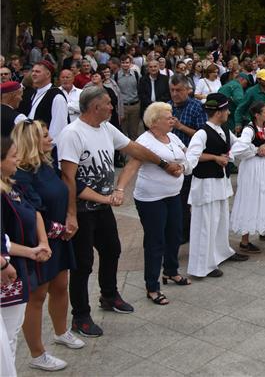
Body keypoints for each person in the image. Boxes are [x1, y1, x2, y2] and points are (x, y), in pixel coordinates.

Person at [59, 86, 183, 337]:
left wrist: (163, 163)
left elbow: (134, 149)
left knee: (112, 250)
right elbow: (68, 179)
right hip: (82, 210)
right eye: (108, 104)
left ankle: (109, 295)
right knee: (82, 265)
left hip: (103, 208)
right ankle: (80, 316)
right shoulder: (72, 134)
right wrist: (70, 215)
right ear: (95, 107)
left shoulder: (106, 128)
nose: (112, 108)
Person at [12, 121, 83, 371]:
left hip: (60, 237)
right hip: (38, 242)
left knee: (61, 286)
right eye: (45, 136)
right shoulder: (21, 173)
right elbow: (32, 211)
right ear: (31, 141)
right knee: (37, 296)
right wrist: (60, 230)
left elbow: (61, 195)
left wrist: (68, 220)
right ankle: (37, 353)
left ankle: (61, 331)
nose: (51, 139)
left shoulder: (46, 165)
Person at [116, 102, 192, 305]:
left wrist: (182, 167)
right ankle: (152, 286)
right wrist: (120, 189)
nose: (172, 120)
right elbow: (131, 167)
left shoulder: (173, 136)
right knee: (155, 241)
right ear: (154, 121)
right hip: (151, 199)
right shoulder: (145, 141)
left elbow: (188, 157)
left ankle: (171, 271)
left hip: (174, 194)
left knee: (175, 234)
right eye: (168, 117)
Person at [184, 93, 249, 277]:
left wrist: (256, 141)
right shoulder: (202, 133)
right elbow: (192, 156)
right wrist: (214, 157)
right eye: (226, 109)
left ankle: (220, 253)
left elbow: (239, 145)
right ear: (219, 112)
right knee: (205, 224)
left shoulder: (224, 130)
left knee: (220, 221)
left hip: (220, 183)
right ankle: (201, 266)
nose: (229, 112)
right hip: (205, 184)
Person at [2, 137, 52, 373]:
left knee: (9, 337)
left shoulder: (12, 186)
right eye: (12, 156)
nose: (18, 159)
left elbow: (34, 212)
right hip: (8, 273)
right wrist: (7, 262)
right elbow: (4, 241)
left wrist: (40, 244)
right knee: (6, 340)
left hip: (17, 270)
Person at [230, 101, 265, 247]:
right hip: (252, 166)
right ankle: (244, 241)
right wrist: (255, 150)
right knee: (250, 198)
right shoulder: (249, 130)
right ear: (257, 115)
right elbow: (241, 146)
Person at [169, 74, 206, 243]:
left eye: (179, 90)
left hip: (190, 161)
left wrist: (180, 126)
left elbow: (203, 134)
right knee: (175, 200)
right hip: (171, 161)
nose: (175, 93)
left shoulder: (197, 107)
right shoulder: (167, 108)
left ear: (188, 90)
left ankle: (186, 232)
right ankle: (180, 229)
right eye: (172, 90)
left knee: (186, 199)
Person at [18, 61, 68, 146]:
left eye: (37, 72)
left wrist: (49, 146)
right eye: (33, 71)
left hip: (46, 148)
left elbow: (58, 126)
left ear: (48, 74)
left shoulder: (56, 96)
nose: (33, 74)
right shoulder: (34, 92)